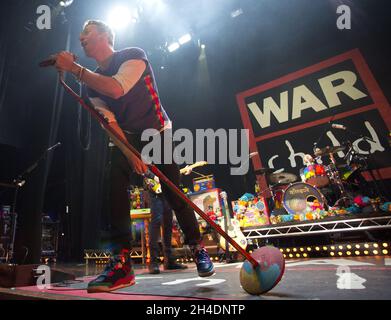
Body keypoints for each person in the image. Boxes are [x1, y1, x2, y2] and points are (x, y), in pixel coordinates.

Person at [54, 20, 214, 293]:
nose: (80, 38)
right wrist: (129, 152)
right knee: (113, 179)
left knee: (173, 191)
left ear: (105, 36)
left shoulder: (133, 56)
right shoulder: (90, 85)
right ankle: (122, 261)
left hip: (157, 130)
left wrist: (74, 69)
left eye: (87, 33)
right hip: (127, 133)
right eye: (80, 35)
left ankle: (198, 247)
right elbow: (109, 123)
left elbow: (117, 88)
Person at [147, 190, 187, 274]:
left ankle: (169, 260)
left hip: (166, 189)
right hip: (154, 187)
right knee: (157, 221)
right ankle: (153, 261)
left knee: (168, 223)